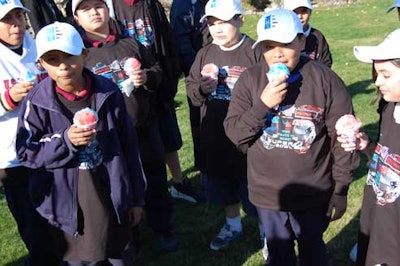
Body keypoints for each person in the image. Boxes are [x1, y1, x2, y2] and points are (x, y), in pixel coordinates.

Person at [224, 8, 359, 265]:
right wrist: (263, 105)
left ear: (301, 40)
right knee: (278, 253)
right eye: (268, 45)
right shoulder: (250, 80)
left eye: (285, 44)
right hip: (268, 193)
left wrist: (340, 188)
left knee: (313, 250)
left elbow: (344, 138)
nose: (277, 53)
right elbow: (236, 134)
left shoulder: (325, 80)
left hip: (313, 191)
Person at [15, 21, 146, 265]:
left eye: (70, 56)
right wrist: (66, 140)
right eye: (52, 59)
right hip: (70, 213)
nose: (63, 66)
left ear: (84, 54)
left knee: (119, 257)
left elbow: (129, 147)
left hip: (111, 202)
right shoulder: (37, 102)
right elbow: (26, 152)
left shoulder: (107, 92)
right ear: (41, 64)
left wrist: (136, 198)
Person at [71, 0, 178, 251]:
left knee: (155, 180)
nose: (94, 12)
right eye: (86, 9)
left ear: (108, 9)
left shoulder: (129, 43)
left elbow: (156, 68)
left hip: (143, 127)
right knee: (119, 188)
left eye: (99, 5)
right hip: (109, 137)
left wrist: (147, 77)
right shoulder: (80, 54)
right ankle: (131, 236)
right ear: (76, 18)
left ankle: (164, 228)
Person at [186, 0, 264, 251]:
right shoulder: (205, 53)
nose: (217, 29)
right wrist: (200, 88)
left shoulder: (254, 51)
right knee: (223, 184)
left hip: (247, 137)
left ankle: (266, 231)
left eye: (224, 22)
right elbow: (190, 87)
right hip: (216, 135)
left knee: (252, 185)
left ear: (240, 20)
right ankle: (233, 224)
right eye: (212, 23)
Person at [108, 0, 203, 203]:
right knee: (137, 143)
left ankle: (178, 182)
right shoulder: (108, 6)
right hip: (128, 88)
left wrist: (170, 74)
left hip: (156, 78)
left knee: (169, 136)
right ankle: (143, 193)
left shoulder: (150, 4)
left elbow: (166, 40)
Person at [0, 1, 59, 265]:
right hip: (12, 157)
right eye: (7, 19)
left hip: (48, 146)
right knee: (33, 225)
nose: (16, 24)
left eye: (19, 16)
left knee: (59, 214)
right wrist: (8, 99)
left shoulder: (36, 47)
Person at [343, 28, 400, 266]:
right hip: (378, 219)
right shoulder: (390, 108)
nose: (377, 82)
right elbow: (390, 156)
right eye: (377, 74)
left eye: (386, 75)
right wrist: (367, 146)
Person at [169, 0, 211, 202]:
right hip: (199, 73)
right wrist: (197, 71)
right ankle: (207, 174)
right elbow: (181, 40)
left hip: (220, 68)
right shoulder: (183, 4)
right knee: (202, 124)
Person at [283, 0, 333, 68]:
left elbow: (326, 63)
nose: (300, 16)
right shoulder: (281, 38)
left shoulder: (318, 37)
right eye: (294, 12)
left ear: (310, 12)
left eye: (304, 11)